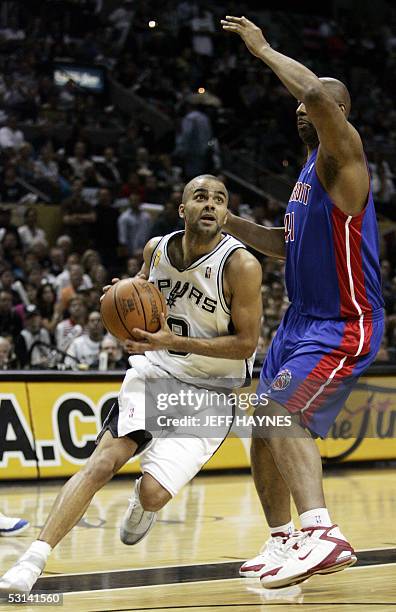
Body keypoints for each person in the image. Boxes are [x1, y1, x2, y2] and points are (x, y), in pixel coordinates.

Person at [0, 174, 262, 595]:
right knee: (103, 462)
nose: (210, 205)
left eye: (219, 199)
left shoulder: (241, 265)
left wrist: (173, 339)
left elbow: (247, 344)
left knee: (157, 494)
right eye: (200, 197)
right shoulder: (156, 249)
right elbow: (140, 292)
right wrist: (119, 296)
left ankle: (143, 501)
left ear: (227, 213)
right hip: (156, 373)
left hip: (213, 393)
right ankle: (33, 560)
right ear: (183, 209)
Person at [221, 16, 385, 589]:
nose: (302, 109)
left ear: (340, 117)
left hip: (342, 321)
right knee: (263, 421)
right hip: (298, 322)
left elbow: (314, 93)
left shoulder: (345, 161)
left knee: (284, 410)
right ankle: (282, 539)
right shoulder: (307, 174)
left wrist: (263, 49)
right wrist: (232, 223)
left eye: (318, 104)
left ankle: (321, 532)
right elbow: (280, 242)